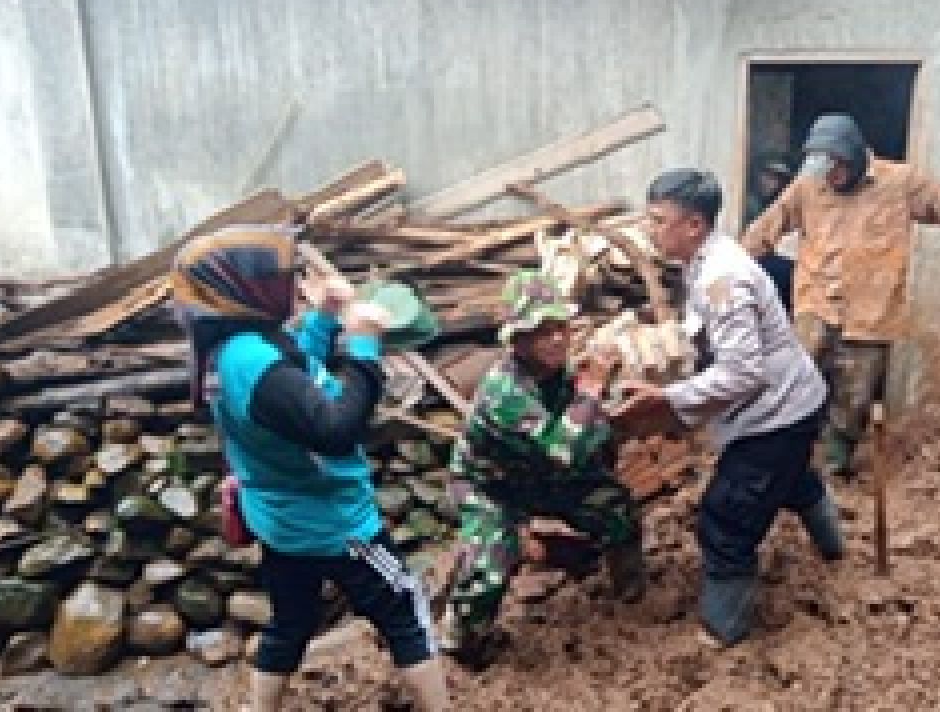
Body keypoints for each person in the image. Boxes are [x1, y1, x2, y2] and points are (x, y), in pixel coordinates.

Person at [170, 225, 449, 712]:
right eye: (278, 277)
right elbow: (334, 428)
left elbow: (296, 387)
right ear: (241, 287)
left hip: (281, 520)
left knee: (290, 623)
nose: (292, 283)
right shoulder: (251, 361)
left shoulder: (234, 349)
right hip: (335, 524)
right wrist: (363, 347)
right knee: (406, 605)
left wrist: (323, 319)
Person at [614, 169, 845, 648]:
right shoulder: (698, 261)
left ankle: (725, 631)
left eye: (658, 220)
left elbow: (743, 373)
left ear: (694, 225)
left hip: (777, 412)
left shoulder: (725, 278)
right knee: (789, 478)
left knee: (726, 517)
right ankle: (833, 545)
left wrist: (670, 398)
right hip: (779, 405)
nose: (649, 229)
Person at [745, 114, 940, 478]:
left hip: (870, 314)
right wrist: (728, 270)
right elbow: (765, 229)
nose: (829, 178)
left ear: (853, 157)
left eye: (837, 169)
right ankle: (786, 461)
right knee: (797, 382)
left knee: (854, 396)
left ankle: (834, 465)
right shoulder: (807, 186)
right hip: (815, 305)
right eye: (824, 171)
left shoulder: (901, 183)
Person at [438, 269, 646, 663]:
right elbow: (563, 448)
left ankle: (628, 595)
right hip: (489, 486)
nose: (555, 339)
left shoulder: (560, 374)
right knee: (488, 569)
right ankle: (463, 644)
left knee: (616, 507)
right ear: (518, 339)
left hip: (543, 476)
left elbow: (592, 434)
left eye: (560, 328)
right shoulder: (505, 391)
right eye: (541, 330)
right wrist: (591, 394)